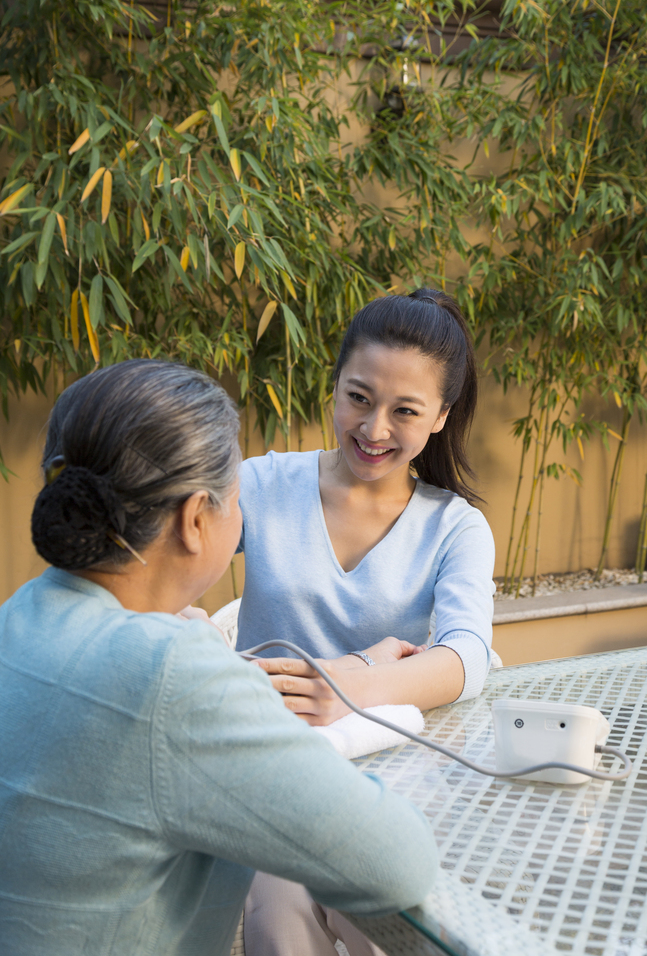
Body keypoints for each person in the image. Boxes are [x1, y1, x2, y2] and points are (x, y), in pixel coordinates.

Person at [0, 359, 438, 956]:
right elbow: (399, 863)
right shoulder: (172, 677)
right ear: (194, 520)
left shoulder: (21, 615)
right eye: (236, 498)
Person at [235, 288, 496, 956]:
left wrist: (347, 683)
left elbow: (465, 659)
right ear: (334, 388)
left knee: (417, 928)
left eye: (404, 410)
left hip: (397, 779)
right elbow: (170, 552)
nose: (373, 428)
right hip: (273, 775)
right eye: (358, 397)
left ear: (439, 416)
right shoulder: (263, 486)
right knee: (280, 910)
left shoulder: (454, 527)